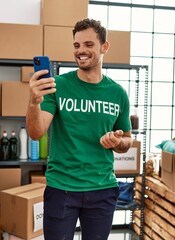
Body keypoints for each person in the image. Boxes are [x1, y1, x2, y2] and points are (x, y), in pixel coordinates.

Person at [26, 18, 134, 240]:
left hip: (102, 188)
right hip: (62, 188)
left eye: (88, 44)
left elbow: (127, 141)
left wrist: (117, 141)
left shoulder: (118, 94)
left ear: (105, 47)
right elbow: (36, 132)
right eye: (76, 45)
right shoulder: (57, 85)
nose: (81, 51)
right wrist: (33, 102)